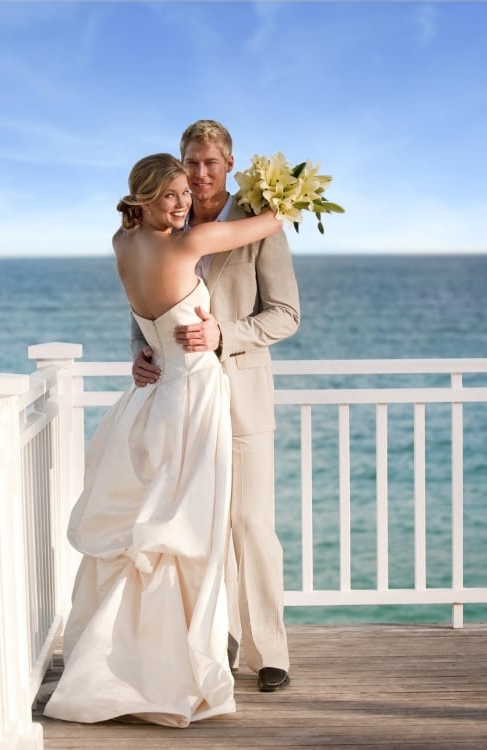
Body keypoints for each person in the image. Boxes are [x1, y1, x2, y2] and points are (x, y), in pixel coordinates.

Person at [42, 153, 283, 727]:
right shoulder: (187, 244)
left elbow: (147, 313)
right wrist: (284, 195)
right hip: (196, 399)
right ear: (145, 197)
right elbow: (267, 224)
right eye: (170, 194)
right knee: (187, 533)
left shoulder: (121, 244)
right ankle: (176, 664)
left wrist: (142, 351)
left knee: (153, 533)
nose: (181, 204)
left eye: (184, 193)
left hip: (155, 396)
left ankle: (138, 657)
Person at [132, 120, 300, 693]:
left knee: (250, 524)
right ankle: (214, 641)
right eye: (191, 163)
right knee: (198, 527)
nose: (199, 175)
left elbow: (285, 313)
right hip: (181, 403)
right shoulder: (167, 221)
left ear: (229, 164)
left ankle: (269, 651)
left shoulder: (256, 226)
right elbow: (149, 300)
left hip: (241, 398)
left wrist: (224, 335)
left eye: (209, 163)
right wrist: (141, 352)